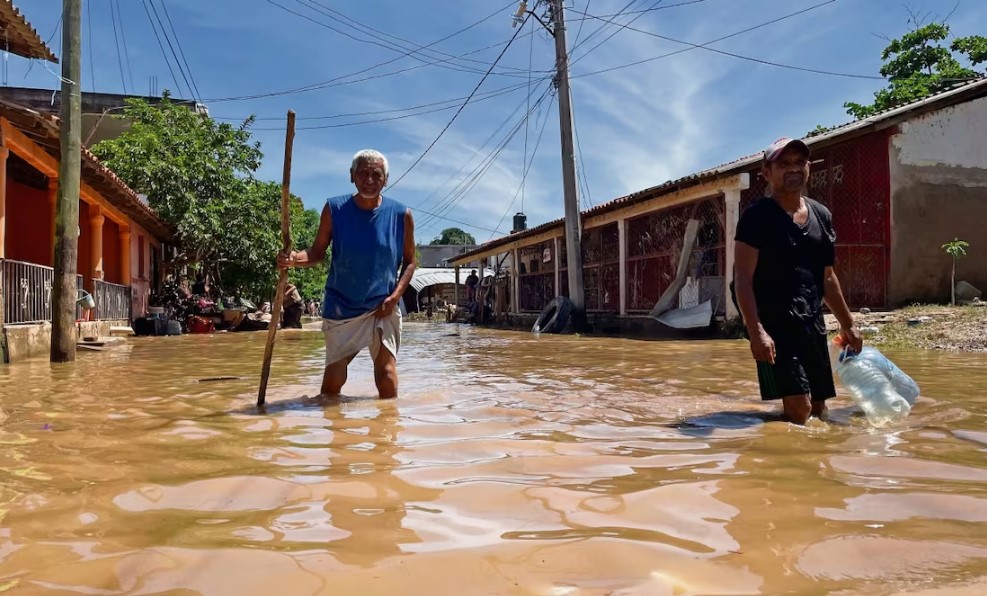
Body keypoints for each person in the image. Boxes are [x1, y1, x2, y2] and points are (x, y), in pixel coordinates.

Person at [733, 137, 862, 425]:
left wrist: (848, 323)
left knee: (819, 408)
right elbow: (742, 278)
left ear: (808, 168)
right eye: (783, 164)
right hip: (774, 324)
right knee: (800, 410)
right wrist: (756, 332)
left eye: (799, 162)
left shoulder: (821, 214)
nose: (793, 169)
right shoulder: (756, 218)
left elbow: (827, 277)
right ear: (766, 173)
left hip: (811, 319)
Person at [278, 149, 416, 399]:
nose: (370, 180)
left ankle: (387, 433)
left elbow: (410, 263)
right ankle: (334, 431)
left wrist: (394, 298)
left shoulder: (401, 215)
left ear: (386, 180)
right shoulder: (334, 208)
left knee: (385, 375)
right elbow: (317, 251)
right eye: (363, 173)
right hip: (342, 306)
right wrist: (293, 259)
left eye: (377, 174)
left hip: (382, 306)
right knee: (333, 380)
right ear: (351, 176)